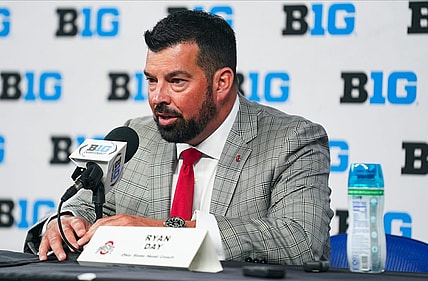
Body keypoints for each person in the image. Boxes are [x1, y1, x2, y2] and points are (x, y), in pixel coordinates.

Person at [24, 10, 333, 265]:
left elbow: (301, 240)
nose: (158, 97)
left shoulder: (293, 140)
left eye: (176, 81)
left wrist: (167, 232)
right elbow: (87, 208)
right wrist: (64, 222)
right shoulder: (138, 135)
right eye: (151, 80)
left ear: (222, 82)